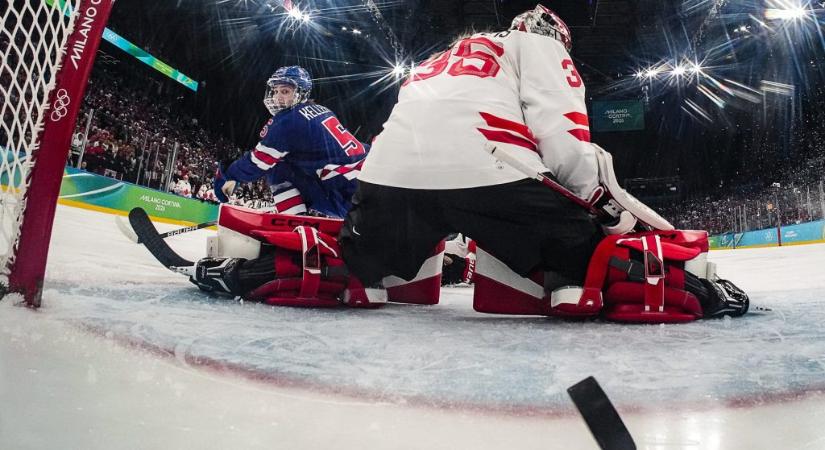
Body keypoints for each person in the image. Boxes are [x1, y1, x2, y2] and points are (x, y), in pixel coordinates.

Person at [189, 5, 749, 322]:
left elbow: (409, 127)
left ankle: (347, 272)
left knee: (363, 263)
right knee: (582, 256)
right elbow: (564, 138)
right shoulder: (539, 47)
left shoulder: (436, 59)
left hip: (387, 182)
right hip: (491, 174)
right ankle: (576, 284)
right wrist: (597, 210)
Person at [214, 65, 368, 218]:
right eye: (275, 91)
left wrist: (228, 174)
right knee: (287, 159)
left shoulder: (287, 121)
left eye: (285, 91)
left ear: (301, 93)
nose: (277, 97)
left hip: (348, 196)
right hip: (367, 179)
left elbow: (258, 162)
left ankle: (294, 220)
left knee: (276, 164)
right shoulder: (323, 109)